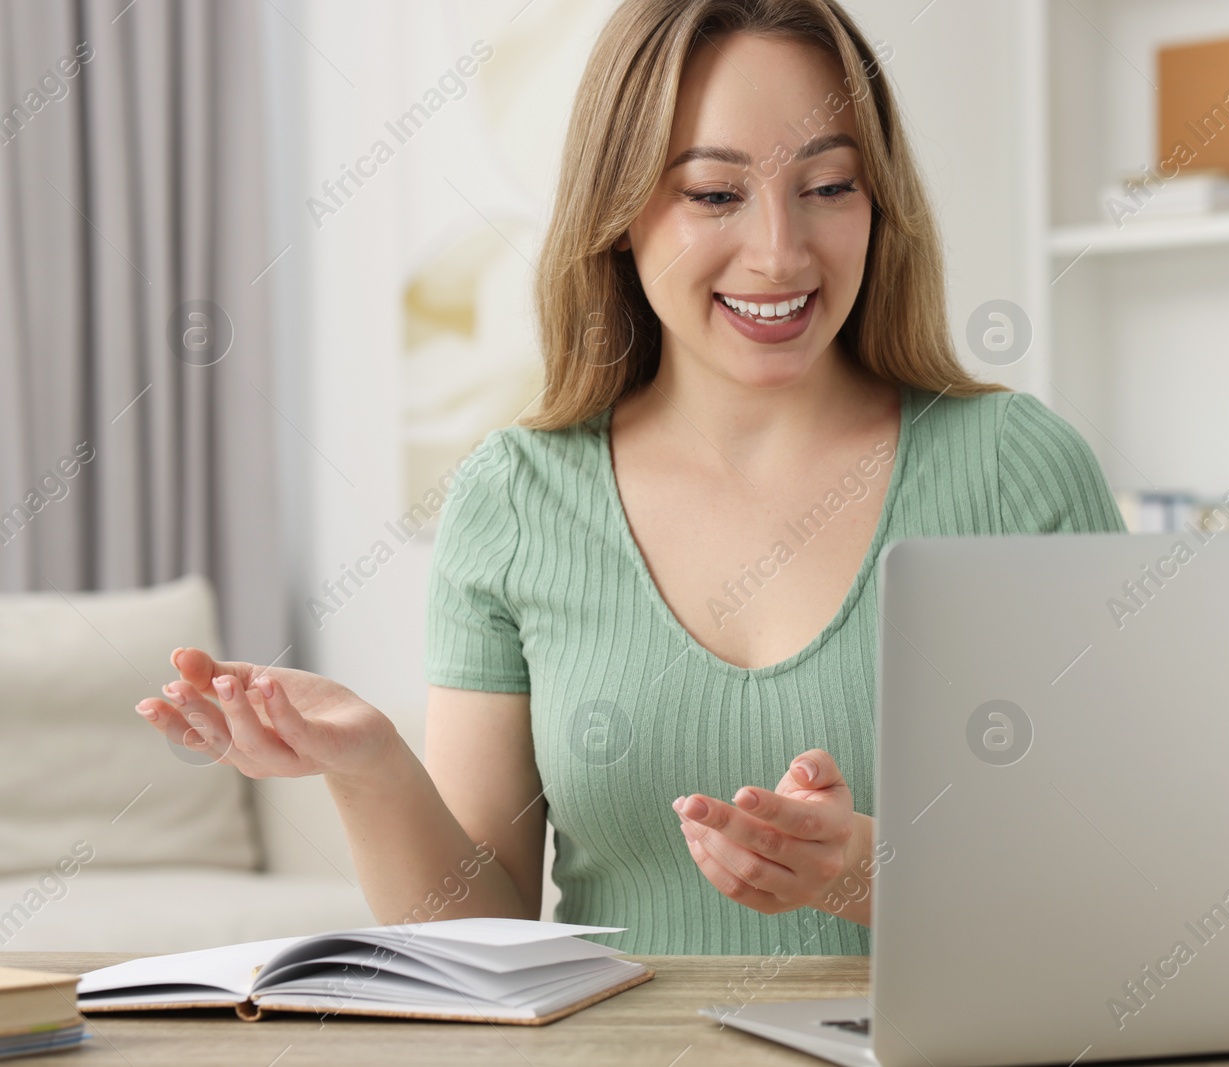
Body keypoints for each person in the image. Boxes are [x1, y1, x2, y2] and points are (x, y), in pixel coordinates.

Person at [132, 0, 1125, 956]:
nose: (780, 252)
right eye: (712, 193)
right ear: (619, 213)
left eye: (829, 186)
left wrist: (870, 873)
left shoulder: (1015, 470)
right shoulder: (513, 497)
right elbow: (488, 938)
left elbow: (1118, 883)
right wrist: (371, 768)